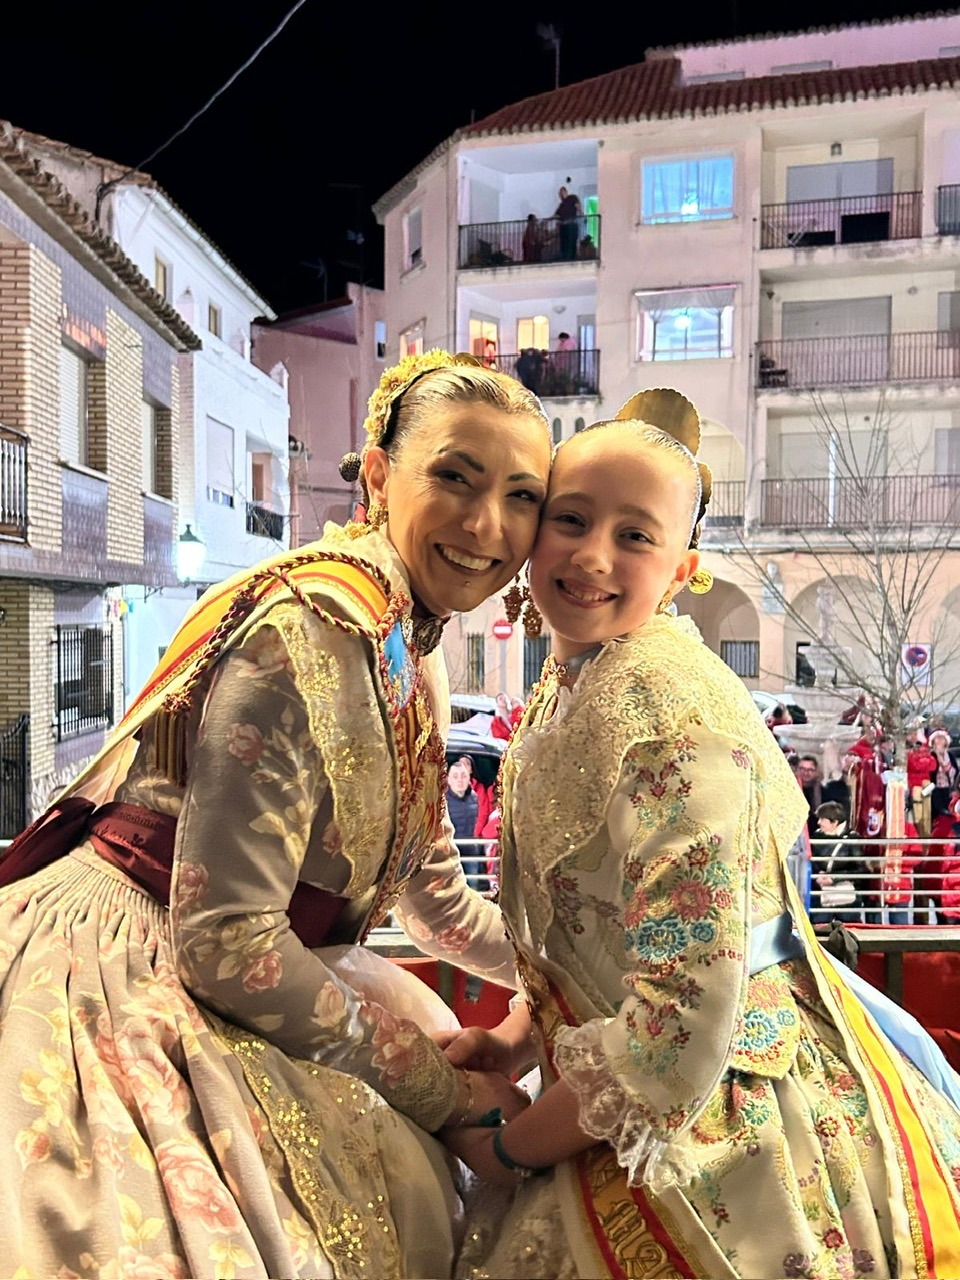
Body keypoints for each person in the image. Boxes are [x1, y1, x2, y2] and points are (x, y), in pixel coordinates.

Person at [0, 349, 551, 1279]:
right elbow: (225, 941)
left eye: (521, 496)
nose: (486, 524)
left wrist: (583, 970)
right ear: (377, 475)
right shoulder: (312, 628)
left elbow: (436, 905)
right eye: (454, 478)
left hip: (264, 962)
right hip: (143, 961)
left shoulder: (411, 647)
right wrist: (443, 1090)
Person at [437, 388, 960, 1280]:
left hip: (713, 1121)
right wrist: (519, 1036)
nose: (592, 556)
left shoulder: (669, 713)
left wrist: (510, 1149)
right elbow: (600, 933)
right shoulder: (579, 679)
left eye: (635, 536)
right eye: (572, 519)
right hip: (612, 1089)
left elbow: (680, 1021)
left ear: (681, 570)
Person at [810, 799, 864, 929]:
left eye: (823, 819)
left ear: (834, 822)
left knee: (849, 930)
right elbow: (813, 859)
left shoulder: (852, 838)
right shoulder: (818, 835)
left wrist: (834, 878)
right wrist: (819, 873)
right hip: (822, 894)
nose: (819, 822)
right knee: (820, 928)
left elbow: (861, 869)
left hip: (845, 895)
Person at [448, 758, 485, 891]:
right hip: (450, 854)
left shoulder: (474, 797)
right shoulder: (442, 800)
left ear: (469, 778)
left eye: (463, 776)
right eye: (455, 776)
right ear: (448, 779)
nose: (460, 780)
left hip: (470, 851)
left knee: (473, 888)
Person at [554, 182, 582, 261]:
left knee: (571, 242)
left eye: (562, 193)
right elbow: (556, 215)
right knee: (565, 244)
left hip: (571, 224)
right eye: (560, 194)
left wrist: (581, 213)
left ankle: (571, 258)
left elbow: (578, 206)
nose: (561, 195)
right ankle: (566, 258)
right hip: (564, 225)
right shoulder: (561, 205)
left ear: (566, 192)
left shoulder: (572, 198)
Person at [796, 752, 822, 833]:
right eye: (802, 769)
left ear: (816, 771)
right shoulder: (791, 791)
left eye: (810, 770)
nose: (806, 773)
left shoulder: (824, 791)